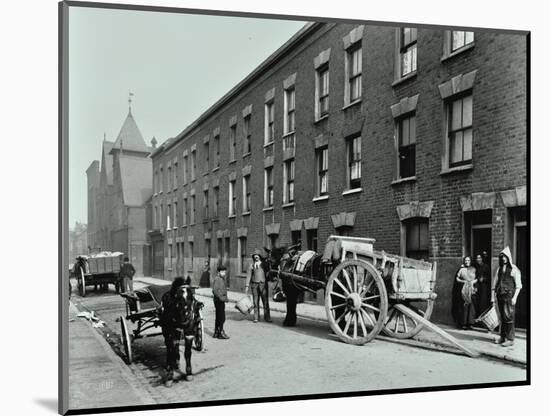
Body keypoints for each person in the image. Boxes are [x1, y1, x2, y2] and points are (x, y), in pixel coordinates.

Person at [159, 276, 202, 386]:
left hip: (187, 322)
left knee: (188, 348)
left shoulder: (189, 298)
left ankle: (188, 368)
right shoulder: (170, 299)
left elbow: (192, 300)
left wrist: (196, 304)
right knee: (171, 346)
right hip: (174, 321)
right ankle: (170, 371)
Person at [492, 247, 522, 347]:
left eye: (505, 257)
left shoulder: (514, 269)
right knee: (502, 317)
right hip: (500, 295)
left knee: (508, 317)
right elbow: (495, 283)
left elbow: (518, 285)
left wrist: (515, 298)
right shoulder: (499, 269)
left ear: (508, 257)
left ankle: (510, 339)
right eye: (502, 257)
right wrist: (493, 297)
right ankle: (502, 337)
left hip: (509, 296)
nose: (503, 259)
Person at [245, 249, 272, 323]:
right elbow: (248, 276)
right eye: (255, 255)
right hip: (254, 285)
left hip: (263, 285)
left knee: (265, 302)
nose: (256, 257)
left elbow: (269, 271)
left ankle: (267, 317)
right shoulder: (251, 265)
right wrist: (247, 286)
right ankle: (256, 317)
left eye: (257, 255)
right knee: (255, 302)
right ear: (253, 257)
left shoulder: (264, 264)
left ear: (260, 256)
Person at [454, 256, 478, 329]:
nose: (467, 262)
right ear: (464, 261)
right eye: (466, 260)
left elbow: (477, 278)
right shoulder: (461, 269)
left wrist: (473, 282)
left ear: (470, 261)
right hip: (463, 289)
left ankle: (470, 323)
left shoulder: (473, 269)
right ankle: (463, 323)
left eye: (468, 260)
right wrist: (463, 281)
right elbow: (457, 278)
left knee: (471, 306)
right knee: (463, 306)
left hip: (471, 289)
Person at [212, 265, 230, 339]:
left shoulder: (221, 279)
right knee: (222, 317)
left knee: (218, 317)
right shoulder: (217, 279)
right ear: (218, 272)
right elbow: (215, 291)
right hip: (219, 301)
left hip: (220, 300)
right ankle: (220, 332)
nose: (224, 273)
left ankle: (216, 332)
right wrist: (222, 298)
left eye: (225, 272)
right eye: (222, 272)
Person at [475, 253, 491, 318]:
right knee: (477, 302)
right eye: (477, 258)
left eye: (479, 258)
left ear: (482, 259)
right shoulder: (476, 266)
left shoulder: (486, 266)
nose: (478, 259)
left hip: (484, 287)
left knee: (483, 302)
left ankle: (482, 318)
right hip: (477, 286)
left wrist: (484, 279)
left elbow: (489, 277)